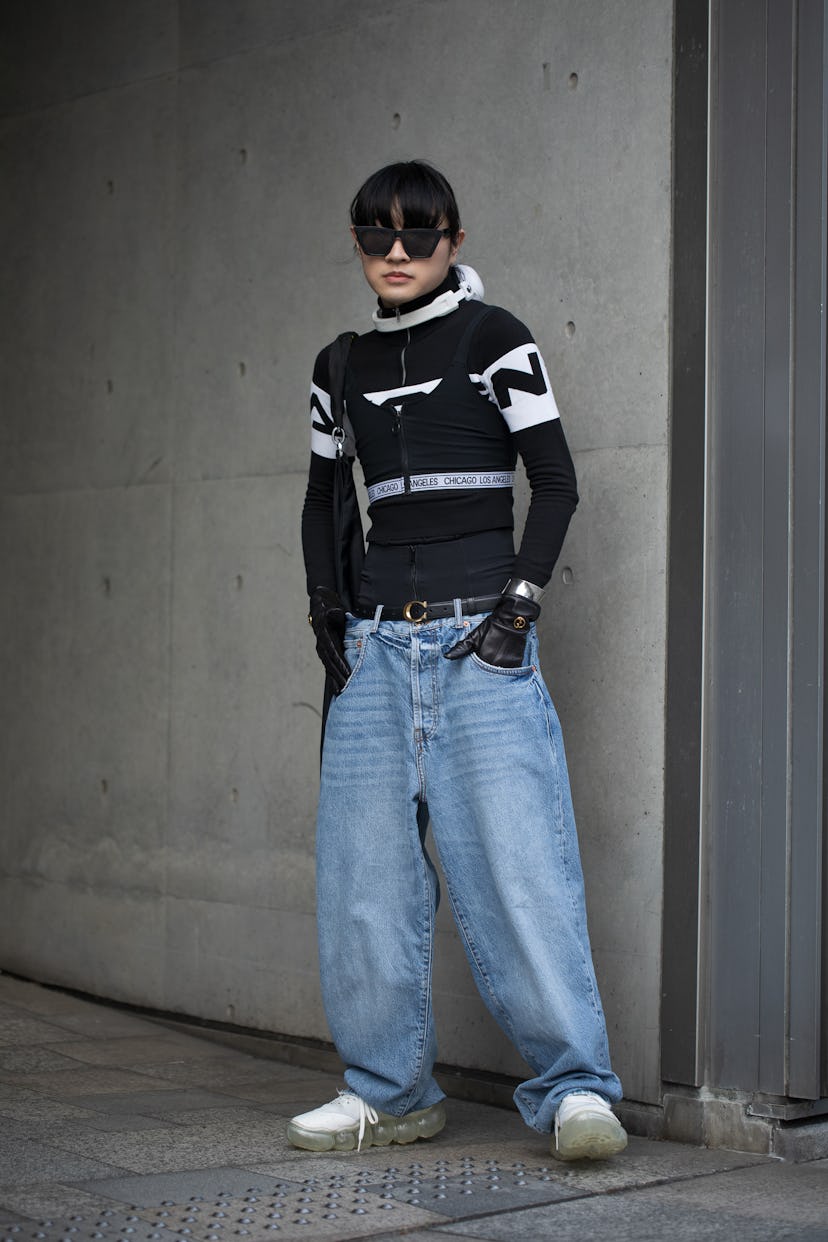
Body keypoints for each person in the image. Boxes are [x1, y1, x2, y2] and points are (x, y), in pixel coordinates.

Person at [295, 160, 626, 1161]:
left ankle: (577, 1091)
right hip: (374, 649)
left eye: (419, 235)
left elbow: (556, 483)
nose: (397, 253)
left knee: (520, 869)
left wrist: (518, 609)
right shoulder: (338, 363)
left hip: (481, 644)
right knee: (363, 879)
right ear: (358, 243)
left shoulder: (496, 338)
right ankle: (390, 1094)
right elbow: (323, 500)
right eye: (376, 235)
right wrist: (327, 608)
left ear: (454, 239)